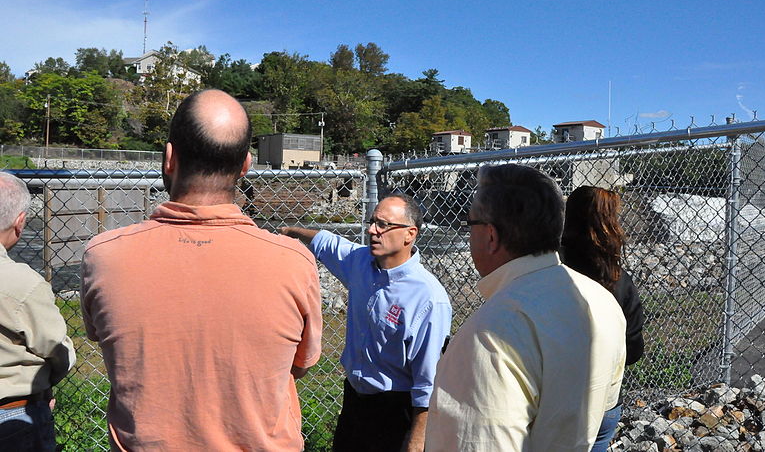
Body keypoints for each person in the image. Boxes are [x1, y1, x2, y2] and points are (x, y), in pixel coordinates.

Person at [81, 89, 322, 451]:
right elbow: (300, 364)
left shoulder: (104, 257)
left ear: (169, 158)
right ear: (246, 164)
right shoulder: (293, 262)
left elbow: (102, 336)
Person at [426, 164, 626, 451]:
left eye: (470, 224)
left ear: (491, 236)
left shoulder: (492, 335)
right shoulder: (600, 300)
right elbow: (603, 408)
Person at [278, 193, 452, 452]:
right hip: (355, 404)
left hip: (396, 411)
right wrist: (288, 231)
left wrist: (416, 440)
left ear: (410, 234)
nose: (372, 230)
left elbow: (428, 380)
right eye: (372, 222)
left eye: (383, 224)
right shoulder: (361, 263)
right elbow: (328, 242)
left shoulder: (427, 298)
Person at [562, 185, 644, 452]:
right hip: (606, 403)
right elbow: (633, 351)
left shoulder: (552, 271)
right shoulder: (621, 282)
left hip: (558, 401)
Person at [0, 171, 76, 451]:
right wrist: (42, 384)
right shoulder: (22, 283)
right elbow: (57, 349)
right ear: (20, 222)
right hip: (12, 415)